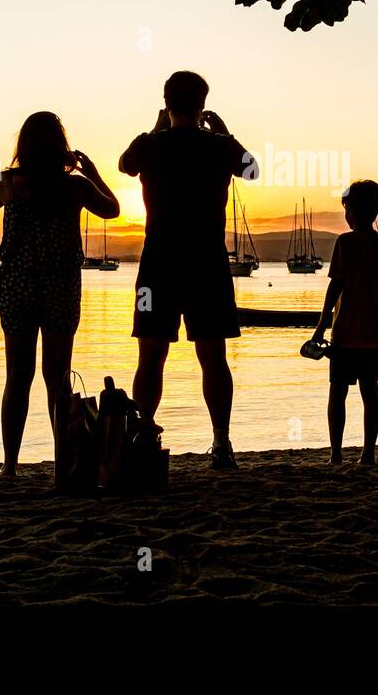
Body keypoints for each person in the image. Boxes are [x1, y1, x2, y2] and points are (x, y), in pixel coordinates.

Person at [119, 71, 255, 469]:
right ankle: (222, 441)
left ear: (166, 101)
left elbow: (126, 164)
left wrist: (154, 128)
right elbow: (252, 170)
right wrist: (227, 134)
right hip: (208, 261)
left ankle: (145, 429)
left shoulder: (151, 144)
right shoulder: (219, 146)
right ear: (203, 103)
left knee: (151, 354)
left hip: (159, 260)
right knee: (214, 355)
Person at [0, 111, 119, 484]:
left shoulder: (10, 182)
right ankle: (63, 464)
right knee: (57, 379)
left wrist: (7, 183)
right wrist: (91, 172)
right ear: (61, 144)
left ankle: (10, 464)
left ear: (23, 145)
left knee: (17, 377)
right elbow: (112, 209)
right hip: (61, 285)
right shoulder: (75, 186)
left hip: (19, 284)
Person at [311, 180, 378, 465]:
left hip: (344, 332)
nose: (345, 215)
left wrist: (321, 325)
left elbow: (335, 287)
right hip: (373, 333)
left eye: (346, 209)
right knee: (370, 391)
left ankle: (336, 453)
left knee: (338, 393)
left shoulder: (345, 243)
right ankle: (368, 453)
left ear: (351, 210)